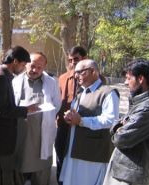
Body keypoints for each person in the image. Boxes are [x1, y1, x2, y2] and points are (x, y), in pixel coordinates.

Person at [0, 46, 39, 185]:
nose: (23, 68)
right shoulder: (0, 77)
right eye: (23, 65)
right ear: (15, 61)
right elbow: (1, 110)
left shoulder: (3, 75)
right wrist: (26, 110)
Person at [60, 59, 120, 185]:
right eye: (75, 72)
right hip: (74, 150)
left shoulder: (107, 93)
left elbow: (110, 120)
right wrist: (70, 117)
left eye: (80, 72)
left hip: (92, 154)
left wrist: (81, 121)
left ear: (93, 71)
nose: (76, 76)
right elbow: (77, 116)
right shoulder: (81, 92)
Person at [103, 58, 149, 185]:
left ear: (140, 79)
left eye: (129, 78)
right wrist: (119, 126)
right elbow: (117, 125)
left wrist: (119, 128)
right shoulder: (140, 102)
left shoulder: (148, 107)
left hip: (130, 177)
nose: (125, 83)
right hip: (124, 172)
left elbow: (121, 138)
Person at [12, 52, 61, 185]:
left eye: (39, 67)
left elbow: (57, 104)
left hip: (41, 134)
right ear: (26, 63)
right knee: (19, 167)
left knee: (41, 169)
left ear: (44, 67)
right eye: (32, 66)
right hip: (21, 133)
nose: (35, 70)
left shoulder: (51, 82)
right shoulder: (15, 81)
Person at [55, 46, 87, 184]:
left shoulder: (94, 78)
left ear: (84, 58)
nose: (73, 62)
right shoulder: (62, 78)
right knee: (60, 155)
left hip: (83, 125)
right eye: (70, 60)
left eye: (76, 59)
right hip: (63, 125)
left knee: (78, 159)